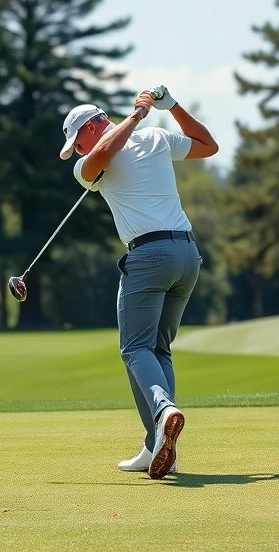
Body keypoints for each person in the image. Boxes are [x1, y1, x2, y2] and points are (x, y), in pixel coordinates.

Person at [58, 86, 219, 479]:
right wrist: (138, 117)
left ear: (94, 126)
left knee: (135, 348)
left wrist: (171, 107)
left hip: (150, 257)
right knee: (158, 350)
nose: (76, 152)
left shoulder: (154, 135)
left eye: (76, 141)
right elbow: (100, 158)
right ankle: (157, 445)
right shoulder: (91, 164)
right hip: (186, 256)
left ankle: (164, 412)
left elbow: (207, 146)